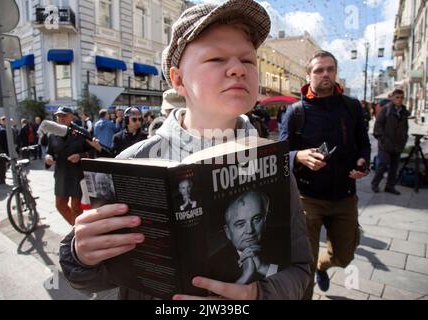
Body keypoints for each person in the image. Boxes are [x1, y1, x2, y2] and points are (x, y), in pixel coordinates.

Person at [60, 0, 312, 300]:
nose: (237, 70)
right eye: (216, 59)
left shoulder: (274, 165)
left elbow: (300, 269)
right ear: (178, 79)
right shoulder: (135, 162)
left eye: (247, 60)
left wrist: (259, 294)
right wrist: (80, 255)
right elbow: (94, 281)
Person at [279, 50, 371, 299]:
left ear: (336, 73)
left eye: (330, 69)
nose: (325, 74)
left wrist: (363, 161)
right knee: (303, 264)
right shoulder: (296, 111)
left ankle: (324, 264)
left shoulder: (351, 107)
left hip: (345, 196)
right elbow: (280, 153)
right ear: (308, 76)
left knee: (344, 256)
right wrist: (298, 157)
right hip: (307, 199)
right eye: (319, 70)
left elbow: (364, 143)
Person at [212, 191, 277, 285]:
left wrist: (263, 267)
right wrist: (245, 276)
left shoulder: (284, 245)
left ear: (265, 220)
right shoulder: (214, 264)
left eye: (256, 219)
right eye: (240, 224)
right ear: (228, 232)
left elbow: (291, 284)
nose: (250, 230)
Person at [45, 106, 95, 225]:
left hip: (77, 175)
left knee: (76, 208)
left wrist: (80, 155)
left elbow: (94, 151)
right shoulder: (52, 134)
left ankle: (77, 231)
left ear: (72, 116)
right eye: (58, 116)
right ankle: (75, 226)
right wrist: (48, 158)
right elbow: (49, 151)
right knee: (60, 205)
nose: (61, 118)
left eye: (64, 116)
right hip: (61, 174)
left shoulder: (82, 132)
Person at [371, 89, 409, 195]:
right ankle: (375, 183)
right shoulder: (386, 110)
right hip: (385, 144)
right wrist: (382, 140)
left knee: (394, 167)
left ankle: (390, 186)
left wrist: (404, 140)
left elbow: (405, 128)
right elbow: (377, 126)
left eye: (401, 98)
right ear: (392, 98)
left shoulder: (403, 111)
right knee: (383, 165)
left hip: (398, 145)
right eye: (397, 97)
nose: (399, 100)